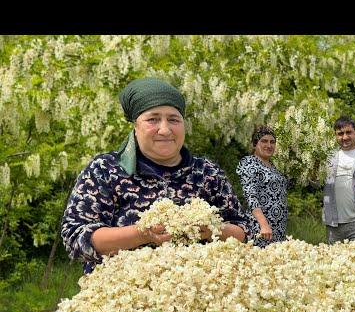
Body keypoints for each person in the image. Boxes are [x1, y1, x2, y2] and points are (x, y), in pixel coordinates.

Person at [61, 77, 250, 274]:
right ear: (136, 126)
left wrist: (212, 229)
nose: (165, 129)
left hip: (200, 291)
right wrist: (143, 233)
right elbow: (76, 237)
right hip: (124, 293)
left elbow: (243, 230)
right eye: (153, 119)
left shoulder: (207, 173)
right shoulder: (105, 170)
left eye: (174, 119)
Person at [236, 125, 292, 248]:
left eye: (272, 142)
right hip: (260, 228)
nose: (269, 145)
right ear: (255, 144)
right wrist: (264, 224)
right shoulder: (249, 163)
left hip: (278, 228)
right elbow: (251, 196)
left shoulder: (273, 166)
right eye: (264, 141)